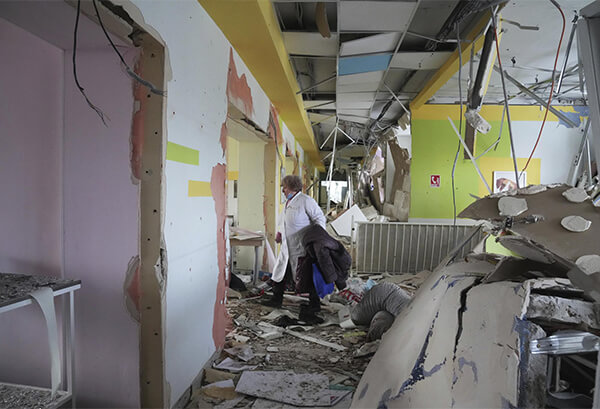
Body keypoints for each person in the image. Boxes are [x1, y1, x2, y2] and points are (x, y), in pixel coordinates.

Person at [262, 175, 325, 310]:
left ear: (291, 188)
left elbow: (319, 219)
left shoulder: (306, 201)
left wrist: (318, 238)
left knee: (307, 276)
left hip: (301, 247)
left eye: (284, 187)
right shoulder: (288, 203)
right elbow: (284, 221)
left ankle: (315, 304)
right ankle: (276, 299)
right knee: (279, 273)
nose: (283, 190)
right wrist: (280, 233)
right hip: (286, 246)